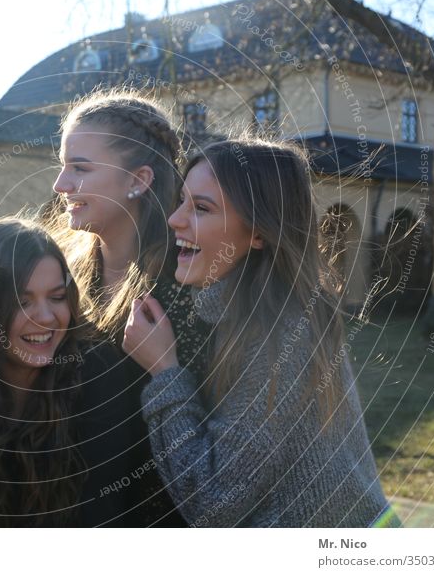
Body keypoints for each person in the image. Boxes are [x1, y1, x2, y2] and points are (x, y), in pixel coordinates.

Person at [122, 137, 401, 527]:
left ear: (258, 232)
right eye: (181, 201)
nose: (175, 220)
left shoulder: (280, 336)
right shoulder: (253, 313)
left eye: (201, 208)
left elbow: (215, 503)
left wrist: (165, 371)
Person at [47, 89, 213, 525]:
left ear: (138, 180)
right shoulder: (56, 279)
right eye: (63, 166)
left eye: (80, 168)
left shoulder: (183, 292)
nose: (60, 185)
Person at [0, 219, 137, 527]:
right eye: (22, 301)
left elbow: (101, 511)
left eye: (57, 297)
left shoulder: (96, 370)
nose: (45, 318)